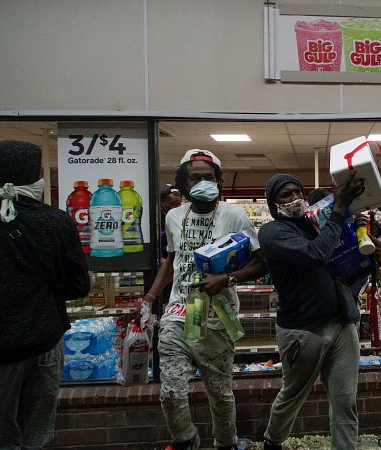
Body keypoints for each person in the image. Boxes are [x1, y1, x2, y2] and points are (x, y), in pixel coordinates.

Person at [139, 149, 267, 450]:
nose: (203, 183)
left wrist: (227, 279)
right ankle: (186, 440)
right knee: (170, 391)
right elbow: (172, 261)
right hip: (178, 312)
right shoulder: (173, 216)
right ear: (184, 183)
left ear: (219, 181)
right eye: (195, 178)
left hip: (217, 315)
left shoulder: (234, 215)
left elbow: (261, 261)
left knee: (220, 393)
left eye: (209, 178)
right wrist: (150, 297)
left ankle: (226, 443)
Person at [0, 140, 90, 449]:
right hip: (43, 343)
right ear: (37, 175)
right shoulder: (55, 222)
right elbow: (78, 286)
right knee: (36, 435)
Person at [259, 172, 365, 450]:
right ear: (273, 204)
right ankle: (273, 440)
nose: (295, 198)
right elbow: (314, 254)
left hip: (342, 323)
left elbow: (343, 259)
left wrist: (356, 230)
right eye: (286, 195)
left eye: (297, 192)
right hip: (302, 331)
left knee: (345, 400)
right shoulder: (272, 233)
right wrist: (340, 209)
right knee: (293, 394)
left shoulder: (315, 223)